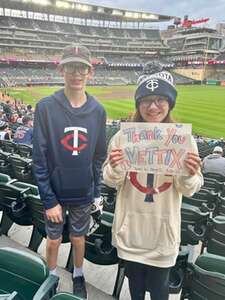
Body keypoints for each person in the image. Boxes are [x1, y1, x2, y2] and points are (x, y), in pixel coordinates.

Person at [103, 63, 203, 300]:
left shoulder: (184, 140)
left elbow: (190, 188)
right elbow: (109, 180)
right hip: (131, 234)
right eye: (146, 99)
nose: (153, 106)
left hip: (162, 235)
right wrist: (116, 168)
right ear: (138, 103)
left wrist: (189, 173)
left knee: (160, 291)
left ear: (169, 103)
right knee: (135, 290)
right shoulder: (122, 137)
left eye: (160, 99)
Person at [32, 43, 107, 299]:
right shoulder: (45, 107)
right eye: (71, 67)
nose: (76, 73)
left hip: (83, 191)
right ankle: (51, 276)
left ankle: (78, 274)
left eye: (82, 68)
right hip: (55, 191)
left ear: (90, 72)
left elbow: (98, 156)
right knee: (53, 240)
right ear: (61, 70)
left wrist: (96, 190)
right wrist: (49, 199)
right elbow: (39, 158)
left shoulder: (98, 111)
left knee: (78, 238)